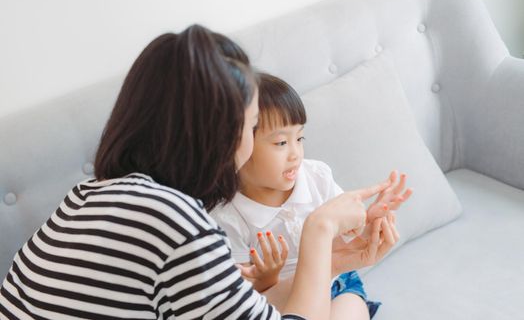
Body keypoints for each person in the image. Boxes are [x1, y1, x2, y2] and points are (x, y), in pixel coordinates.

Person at [0, 25, 399, 319]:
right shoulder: (176, 224)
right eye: (251, 124)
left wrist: (328, 264)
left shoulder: (86, 197)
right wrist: (319, 229)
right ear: (219, 136)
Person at [210, 73, 413, 319]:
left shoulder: (316, 176)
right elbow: (248, 301)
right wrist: (267, 280)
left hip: (338, 284)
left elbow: (343, 236)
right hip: (282, 302)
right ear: (237, 146)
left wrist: (367, 219)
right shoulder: (226, 216)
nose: (296, 153)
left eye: (299, 138)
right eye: (281, 143)